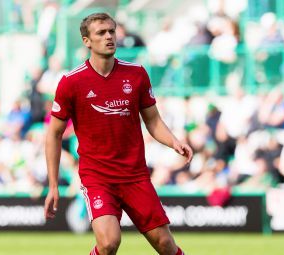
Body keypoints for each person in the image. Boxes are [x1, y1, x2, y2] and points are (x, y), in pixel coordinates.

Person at [44, 13, 193, 255]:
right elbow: (53, 134)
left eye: (111, 31)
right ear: (87, 41)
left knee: (166, 245)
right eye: (101, 33)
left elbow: (153, 121)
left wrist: (173, 141)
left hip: (135, 176)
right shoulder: (71, 82)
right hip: (98, 177)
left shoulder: (136, 75)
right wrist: (53, 185)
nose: (109, 37)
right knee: (109, 243)